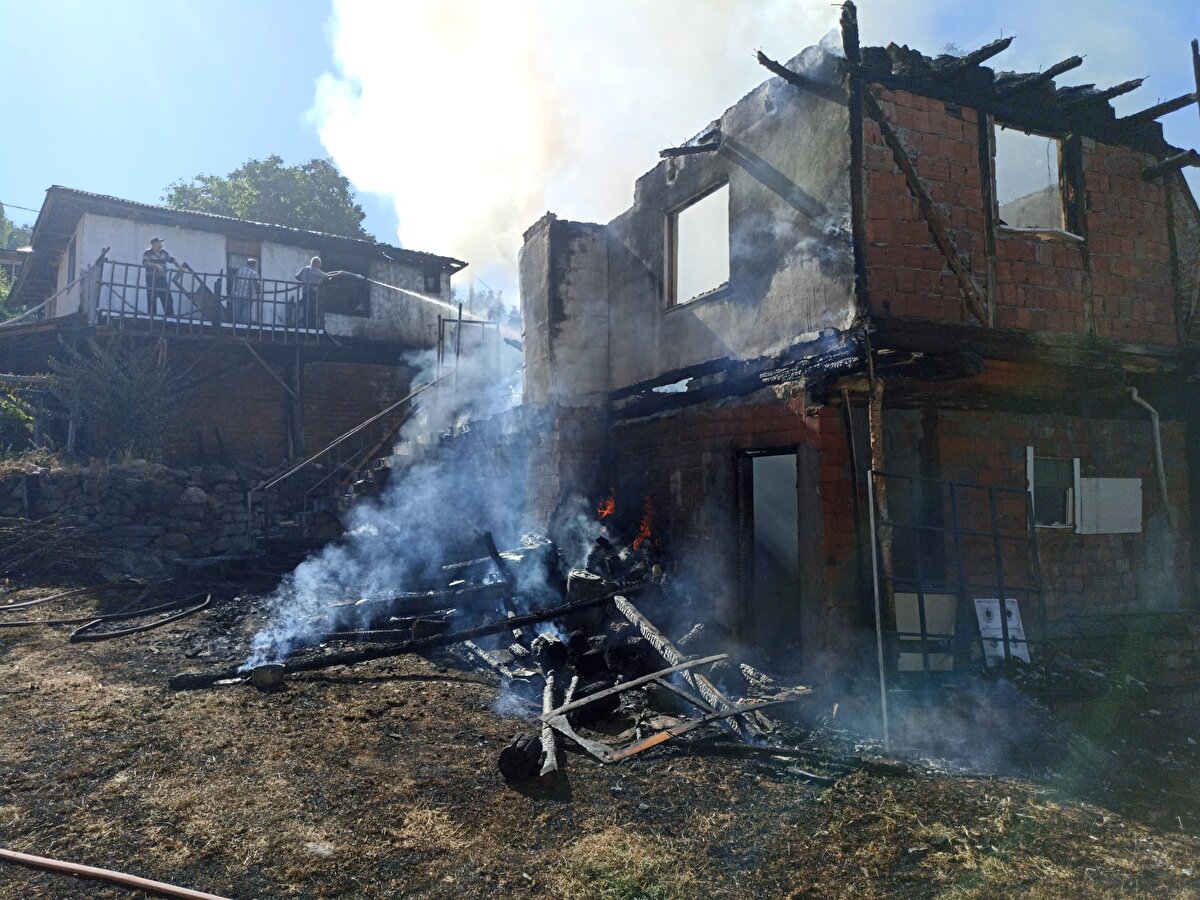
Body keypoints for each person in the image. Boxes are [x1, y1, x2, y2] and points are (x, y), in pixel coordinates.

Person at [141, 237, 177, 317]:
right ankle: (151, 321)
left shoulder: (164, 252)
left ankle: (170, 320)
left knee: (168, 301)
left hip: (162, 280)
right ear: (153, 245)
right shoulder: (148, 253)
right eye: (158, 243)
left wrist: (180, 268)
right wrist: (156, 266)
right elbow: (145, 263)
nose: (160, 245)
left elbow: (172, 260)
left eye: (160, 243)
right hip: (152, 280)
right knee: (152, 302)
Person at [294, 256, 330, 329]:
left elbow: (297, 277)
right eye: (319, 264)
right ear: (316, 263)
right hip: (312, 291)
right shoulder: (315, 270)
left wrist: (304, 280)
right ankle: (311, 325)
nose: (320, 265)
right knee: (313, 309)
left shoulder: (304, 269)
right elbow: (326, 277)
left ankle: (305, 324)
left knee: (306, 308)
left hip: (305, 292)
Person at [231, 257, 262, 325]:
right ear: (254, 265)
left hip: (237, 295)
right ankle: (244, 329)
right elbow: (258, 289)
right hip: (247, 297)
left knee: (236, 314)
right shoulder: (255, 274)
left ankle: (236, 327)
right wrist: (257, 298)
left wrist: (232, 293)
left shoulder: (239, 271)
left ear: (247, 264)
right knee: (246, 315)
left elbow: (234, 283)